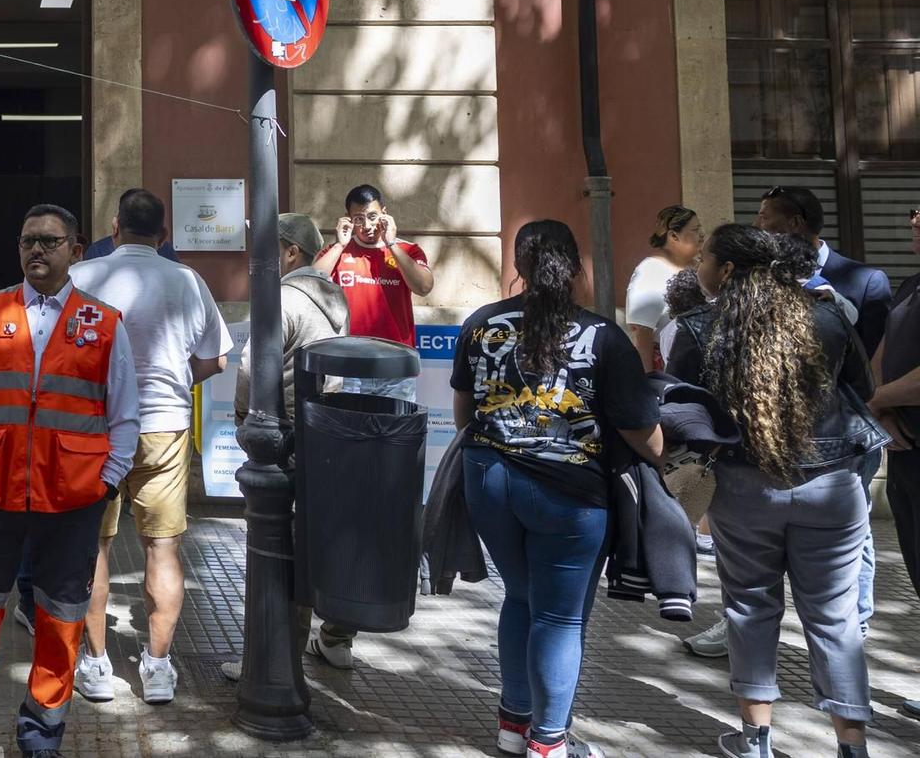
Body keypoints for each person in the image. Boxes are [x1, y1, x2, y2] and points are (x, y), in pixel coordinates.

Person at [0, 204, 138, 758]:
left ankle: (41, 735)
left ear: (76, 247)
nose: (36, 251)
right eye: (27, 242)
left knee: (61, 622)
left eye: (49, 241)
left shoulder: (106, 321)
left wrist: (106, 482)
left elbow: (124, 415)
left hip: (71, 499)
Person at [452, 221, 664, 758]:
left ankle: (512, 725)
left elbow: (464, 414)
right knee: (561, 616)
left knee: (520, 596)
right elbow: (643, 433)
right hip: (570, 495)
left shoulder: (481, 324)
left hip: (488, 480)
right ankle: (549, 742)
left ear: (517, 268)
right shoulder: (603, 335)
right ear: (574, 267)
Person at [670, 225, 876, 758]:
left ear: (730, 270)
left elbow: (678, 411)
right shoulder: (828, 316)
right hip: (832, 485)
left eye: (706, 259)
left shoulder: (697, 327)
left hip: (742, 488)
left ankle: (756, 741)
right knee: (835, 615)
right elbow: (863, 390)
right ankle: (851, 745)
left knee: (749, 608)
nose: (698, 269)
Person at [67, 188, 229, 705]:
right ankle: (156, 669)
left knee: (93, 545)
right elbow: (216, 359)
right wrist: (178, 381)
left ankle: (95, 664)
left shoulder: (82, 278)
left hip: (92, 427)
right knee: (163, 547)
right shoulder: (186, 280)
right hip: (164, 426)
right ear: (163, 235)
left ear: (114, 228)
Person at [224, 212, 352, 684]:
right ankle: (329, 637)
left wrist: (244, 422)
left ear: (290, 252)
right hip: (325, 432)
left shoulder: (281, 298)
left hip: (283, 435)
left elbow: (252, 367)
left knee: (275, 550)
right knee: (306, 541)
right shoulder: (333, 296)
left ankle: (273, 659)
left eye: (266, 249)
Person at [867, 204, 920, 720]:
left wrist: (878, 403)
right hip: (905, 454)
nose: (913, 220)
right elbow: (881, 355)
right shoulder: (910, 285)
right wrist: (879, 410)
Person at [314, 183, 434, 401]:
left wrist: (392, 244)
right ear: (348, 219)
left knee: (393, 432)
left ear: (384, 214)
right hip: (347, 364)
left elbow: (424, 287)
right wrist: (340, 245)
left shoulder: (408, 250)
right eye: (359, 218)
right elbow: (310, 285)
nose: (367, 225)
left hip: (395, 364)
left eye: (372, 216)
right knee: (349, 431)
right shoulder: (336, 252)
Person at [757, 186, 893, 354]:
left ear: (795, 223)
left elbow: (875, 356)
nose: (756, 226)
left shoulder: (867, 282)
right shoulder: (759, 276)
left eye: (764, 218)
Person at [624, 205, 703, 371]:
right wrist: (648, 381)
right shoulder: (650, 271)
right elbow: (642, 334)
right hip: (669, 367)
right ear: (674, 236)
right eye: (695, 230)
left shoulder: (702, 268)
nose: (702, 235)